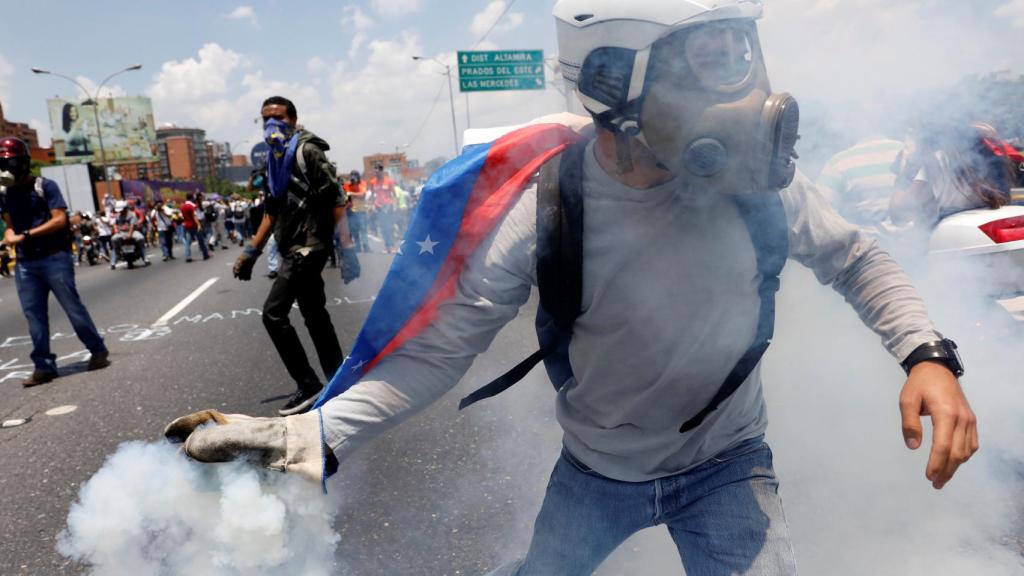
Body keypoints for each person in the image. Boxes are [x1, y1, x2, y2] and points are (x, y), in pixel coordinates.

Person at [167, 4, 978, 574]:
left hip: (729, 465)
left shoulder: (753, 184)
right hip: (596, 475)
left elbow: (855, 258)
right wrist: (314, 435)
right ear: (612, 82)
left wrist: (928, 356)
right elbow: (440, 353)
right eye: (705, 65)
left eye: (739, 58)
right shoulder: (549, 209)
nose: (741, 96)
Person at [231, 96, 352, 415]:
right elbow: (271, 212)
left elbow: (337, 200)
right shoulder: (274, 160)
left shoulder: (307, 151)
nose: (272, 124)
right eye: (265, 118)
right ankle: (338, 380)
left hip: (310, 246)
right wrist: (250, 253)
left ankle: (309, 385)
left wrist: (348, 249)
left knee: (273, 313)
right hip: (291, 246)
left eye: (279, 117)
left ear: (294, 120)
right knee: (314, 314)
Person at [0, 137, 110, 386]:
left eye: (10, 163)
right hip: (26, 263)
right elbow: (9, 225)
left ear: (23, 163)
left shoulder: (45, 186)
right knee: (34, 317)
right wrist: (10, 236)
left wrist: (25, 234)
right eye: (2, 164)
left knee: (73, 308)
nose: (6, 169)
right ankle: (43, 366)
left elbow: (60, 219)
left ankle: (98, 350)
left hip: (54, 258)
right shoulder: (5, 194)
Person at [891, 121, 1015, 227]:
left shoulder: (936, 162)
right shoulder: (987, 152)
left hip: (952, 238)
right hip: (990, 227)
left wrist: (907, 166)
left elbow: (899, 216)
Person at [110, 200, 149, 269]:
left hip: (132, 232)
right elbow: (114, 223)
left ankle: (145, 259)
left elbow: (132, 226)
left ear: (125, 208)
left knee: (140, 238)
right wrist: (116, 229)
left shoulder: (131, 215)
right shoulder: (117, 216)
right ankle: (113, 262)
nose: (120, 212)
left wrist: (130, 234)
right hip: (121, 232)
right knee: (114, 239)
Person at [369, 164, 398, 253]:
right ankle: (387, 247)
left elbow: (394, 194)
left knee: (389, 227)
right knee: (383, 227)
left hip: (388, 206)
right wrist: (372, 205)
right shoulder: (373, 182)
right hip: (379, 207)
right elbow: (372, 195)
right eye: (375, 172)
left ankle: (392, 246)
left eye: (378, 171)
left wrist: (394, 205)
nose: (376, 173)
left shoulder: (389, 181)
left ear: (382, 171)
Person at [344, 170, 371, 252]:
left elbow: (363, 194)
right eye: (352, 176)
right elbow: (346, 196)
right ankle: (358, 248)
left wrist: (351, 193)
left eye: (355, 176)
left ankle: (366, 247)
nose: (353, 178)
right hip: (351, 212)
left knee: (363, 230)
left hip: (361, 210)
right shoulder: (347, 185)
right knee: (354, 231)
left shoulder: (362, 183)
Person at [179, 193, 210, 262]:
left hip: (187, 225)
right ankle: (205, 254)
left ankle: (188, 256)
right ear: (192, 198)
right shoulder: (191, 206)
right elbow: (194, 216)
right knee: (201, 240)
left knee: (188, 242)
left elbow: (181, 216)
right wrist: (198, 224)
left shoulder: (182, 206)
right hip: (194, 225)